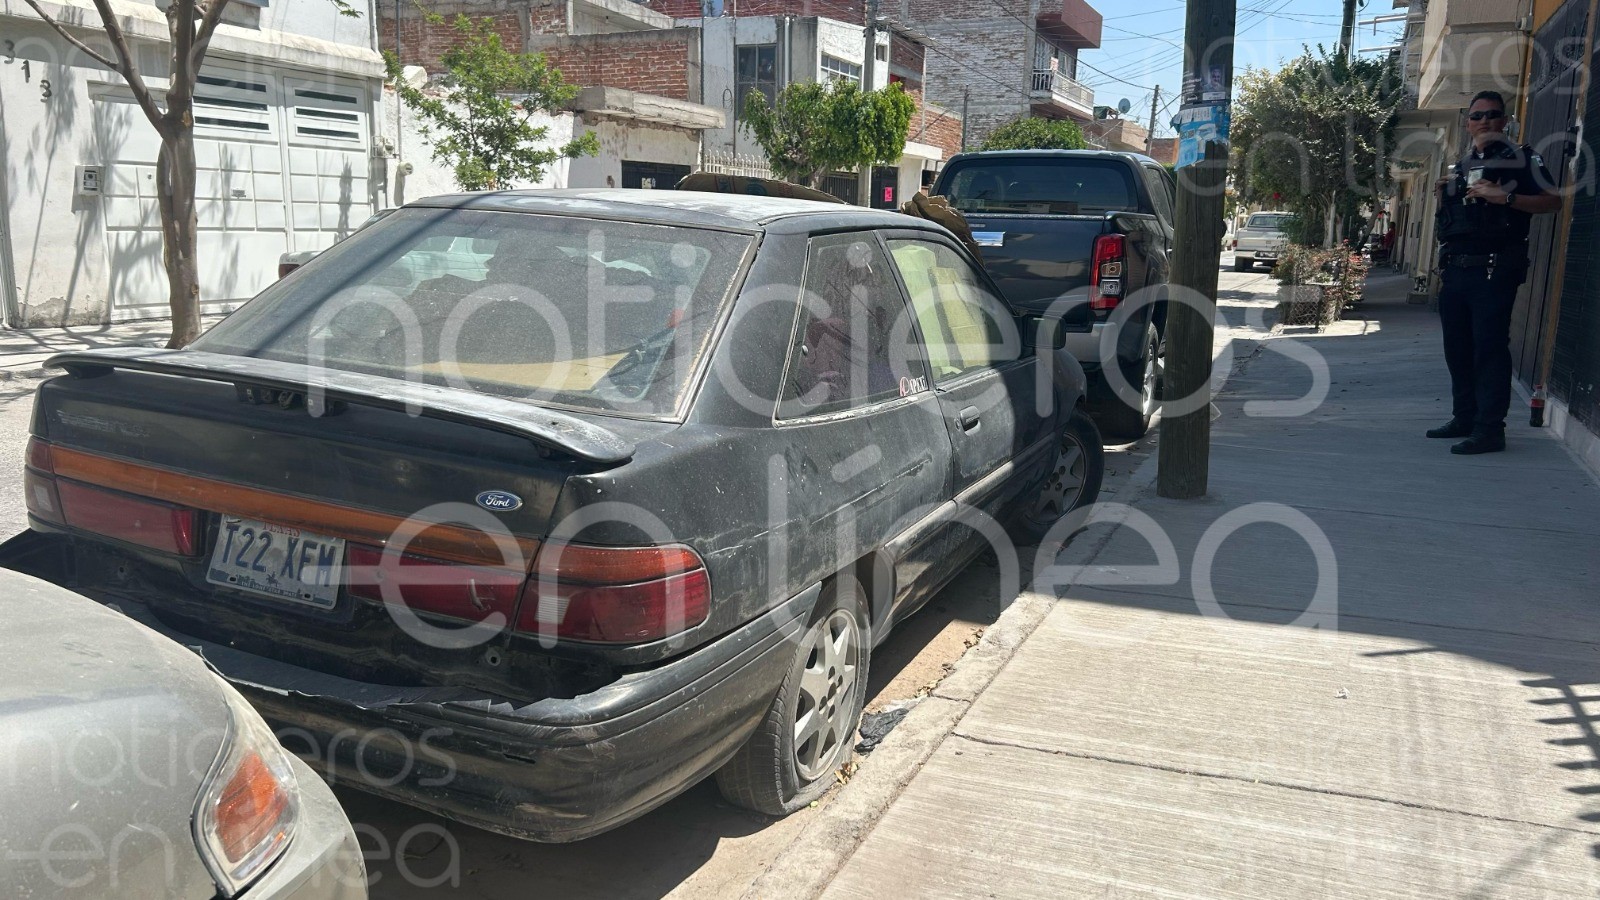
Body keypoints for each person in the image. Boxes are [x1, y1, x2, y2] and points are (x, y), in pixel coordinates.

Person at [1428, 90, 1562, 455]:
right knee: (1457, 349)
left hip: (1493, 269)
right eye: (1477, 116)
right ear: (1468, 123)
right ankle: (1465, 417)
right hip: (1455, 271)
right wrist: (1447, 195)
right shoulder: (1463, 165)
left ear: (1504, 121)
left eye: (1492, 115)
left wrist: (1507, 197)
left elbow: (1553, 201)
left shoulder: (1521, 159)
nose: (1484, 121)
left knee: (1488, 348)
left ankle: (1490, 429)